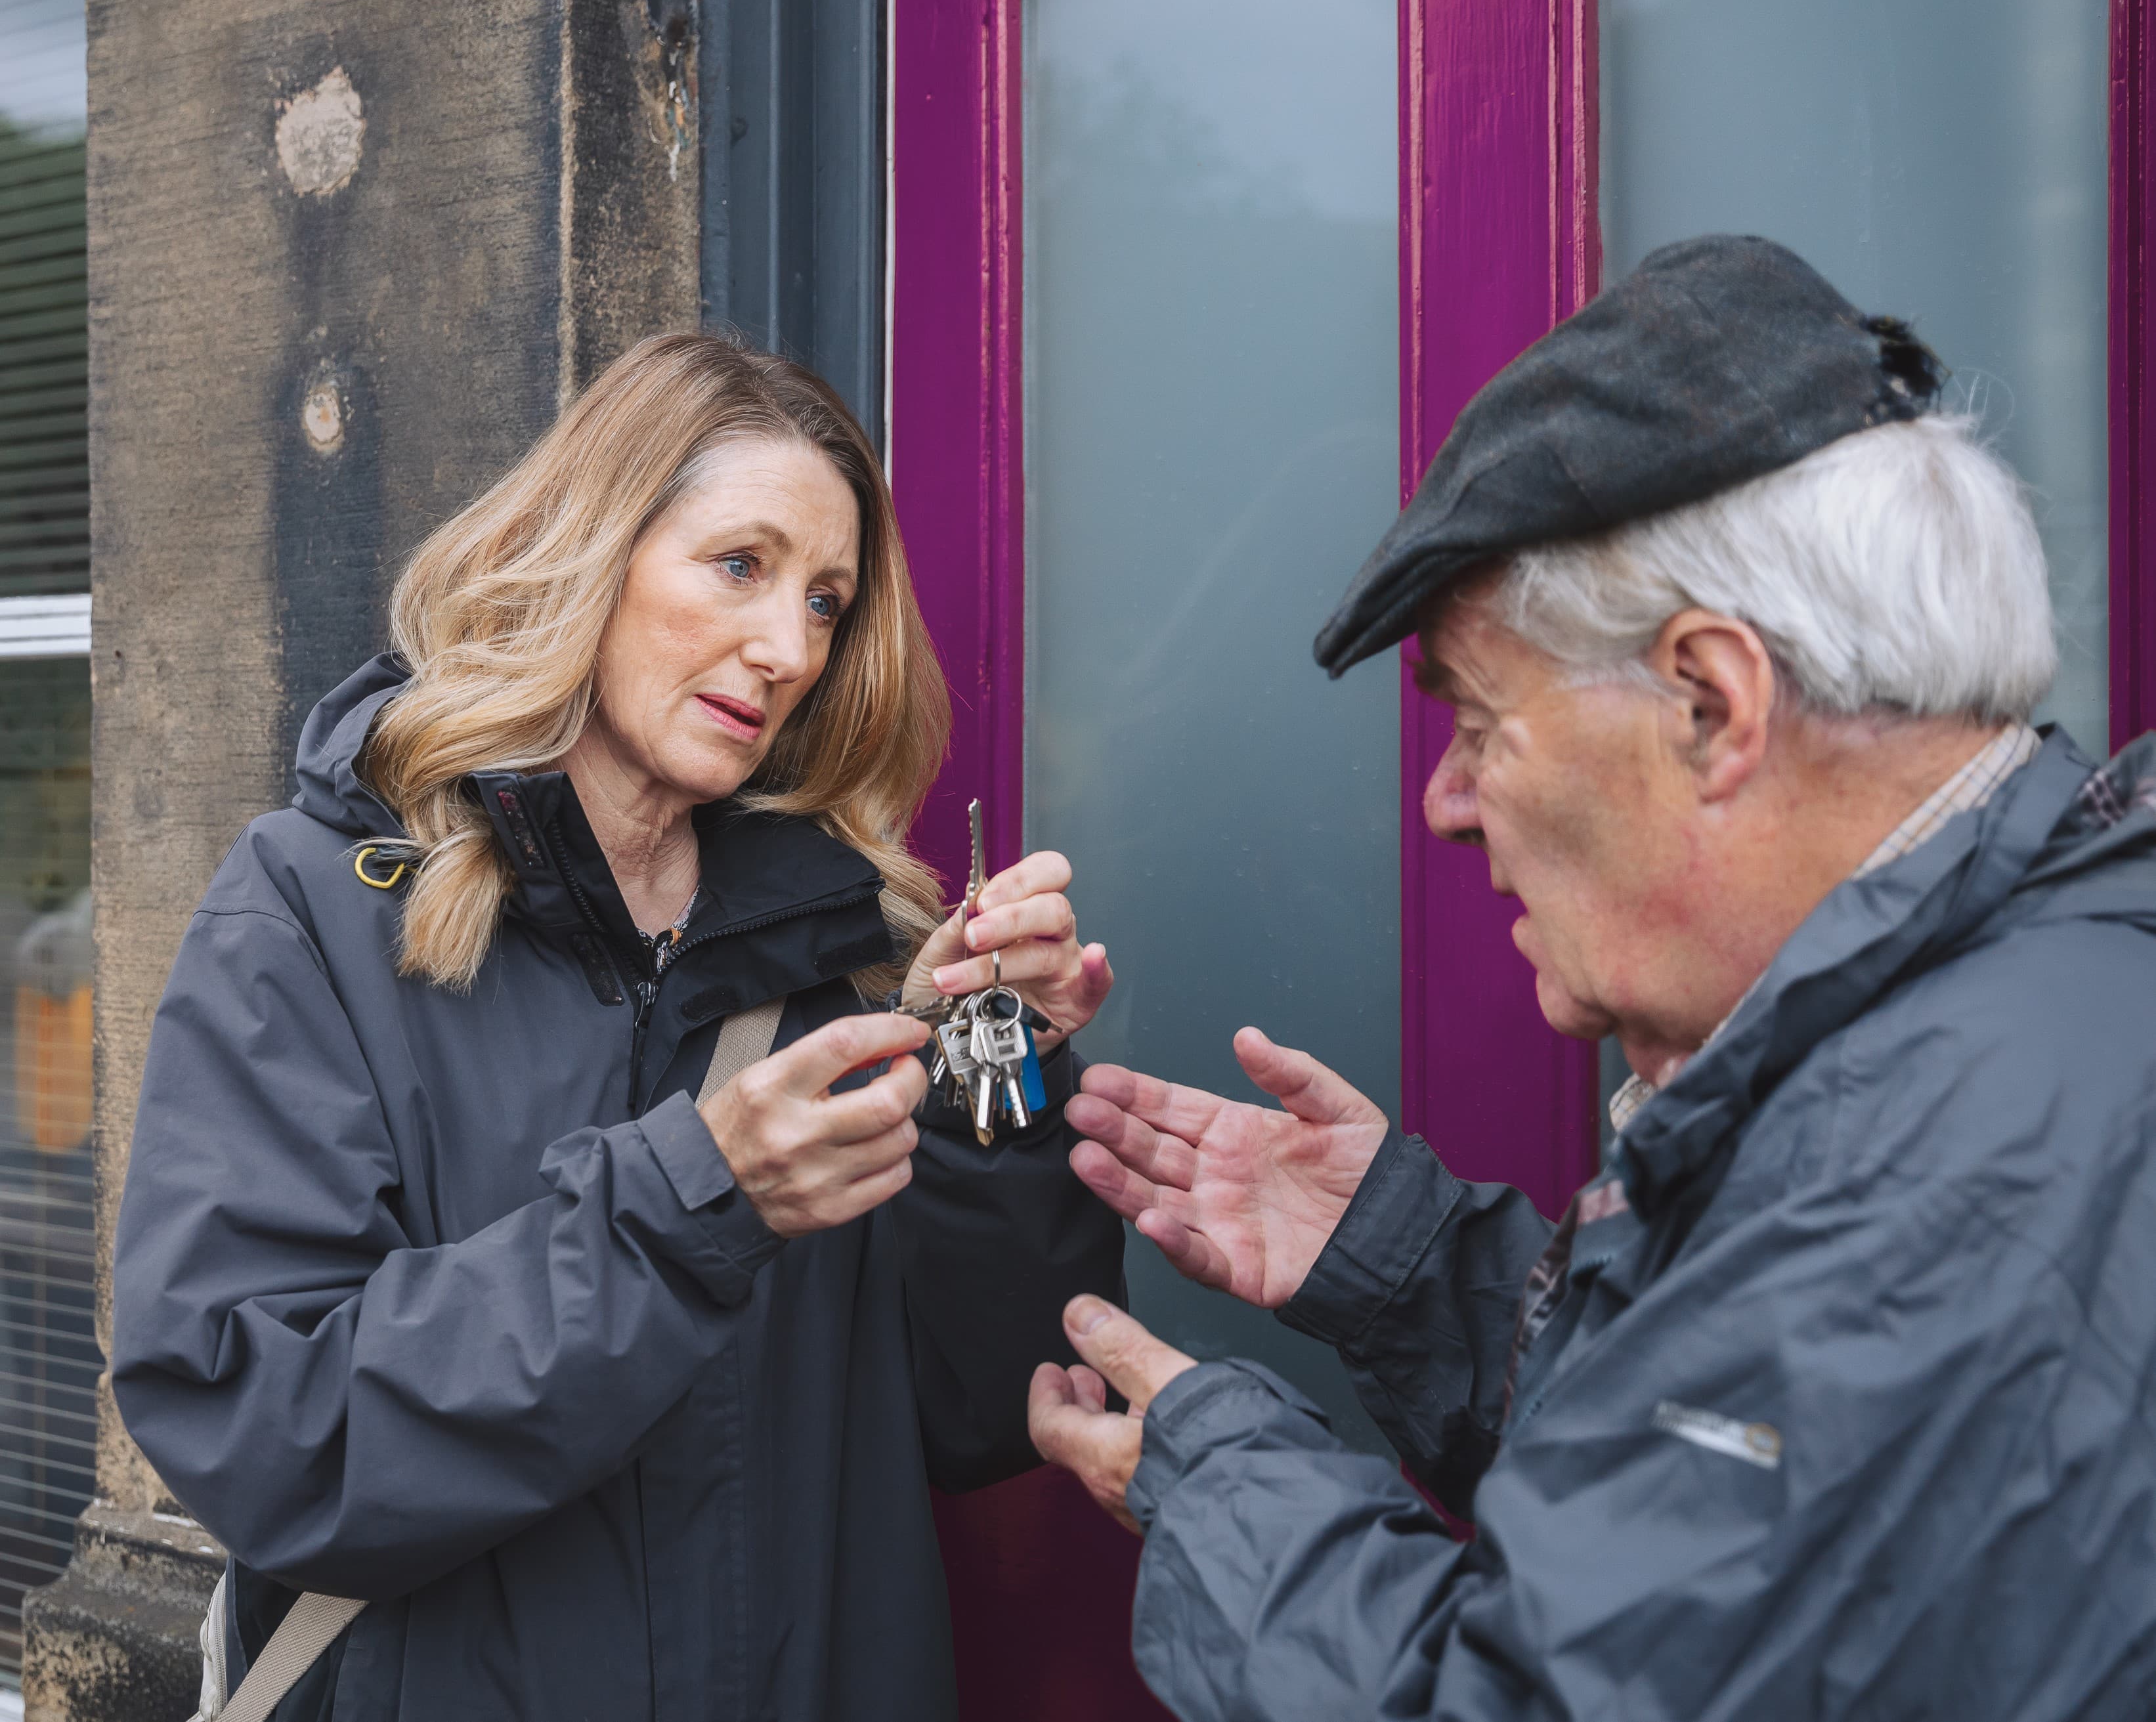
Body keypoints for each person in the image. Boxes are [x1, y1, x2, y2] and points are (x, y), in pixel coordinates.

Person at [1027, 236, 2156, 1720]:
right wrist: (1414, 1269)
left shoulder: (1932, 1189)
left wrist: (1219, 1474)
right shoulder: (2030, 1009)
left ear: (1711, 701)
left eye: (1481, 721)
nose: (1442, 802)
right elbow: (1753, 1537)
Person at [110, 334, 1123, 1722]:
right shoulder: (313, 910)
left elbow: (974, 1406)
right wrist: (686, 1209)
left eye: (826, 604)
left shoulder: (842, 960)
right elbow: (268, 1435)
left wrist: (980, 1084)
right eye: (739, 566)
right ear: (592, 549)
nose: (784, 651)